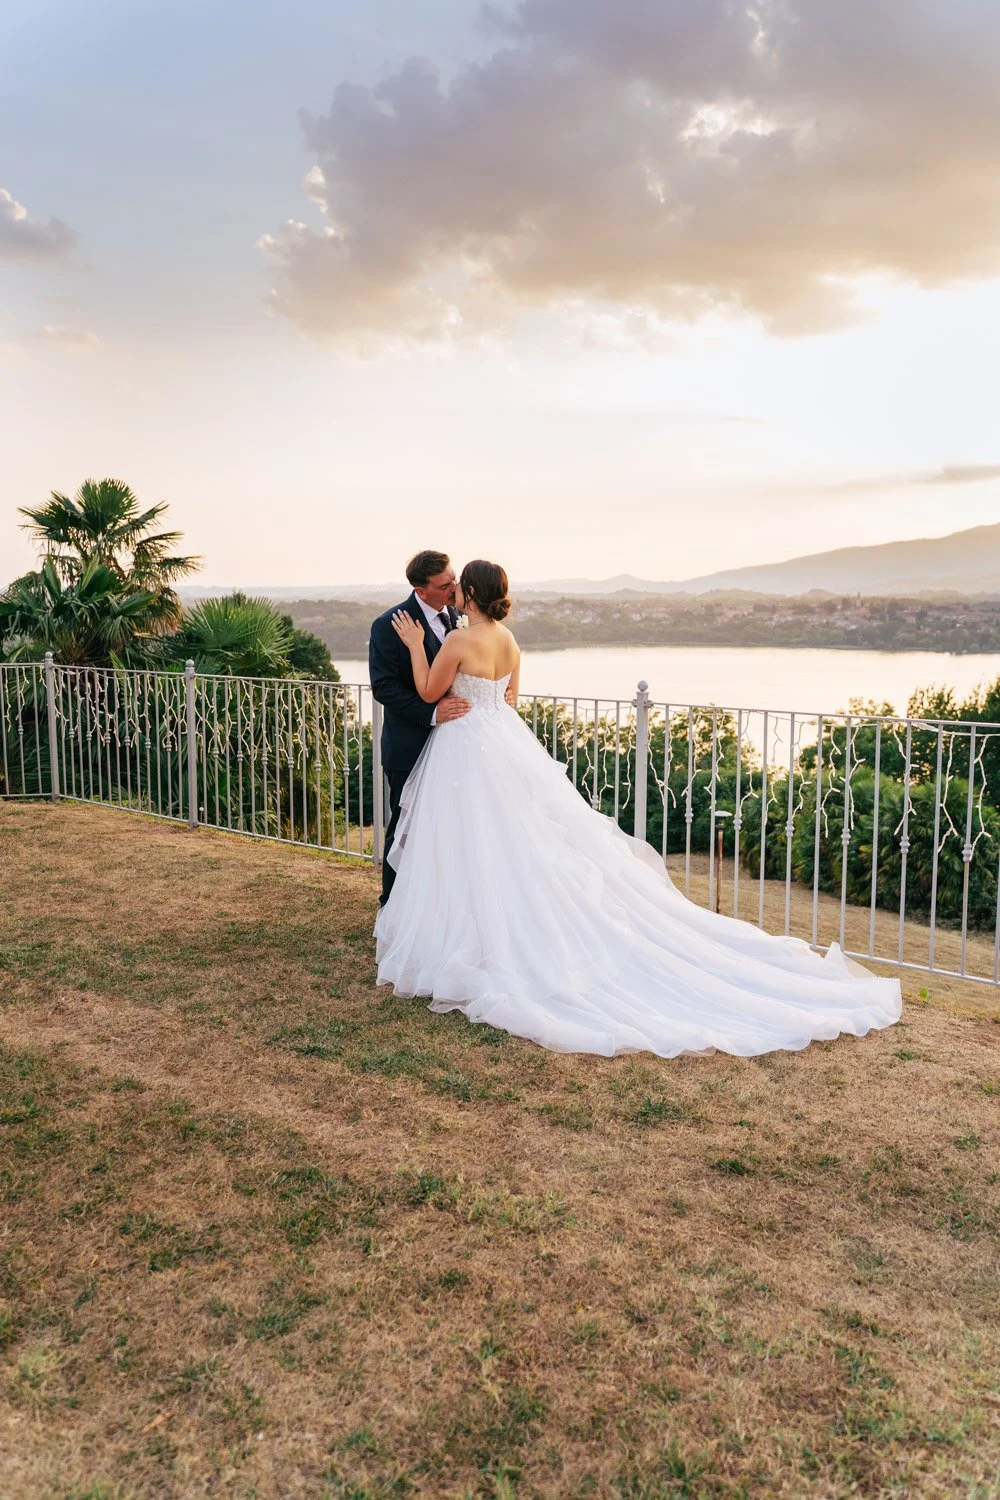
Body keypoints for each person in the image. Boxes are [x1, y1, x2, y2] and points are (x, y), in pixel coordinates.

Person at [375, 558, 902, 1059]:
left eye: (459, 585)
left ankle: (473, 936)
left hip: (466, 745)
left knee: (470, 843)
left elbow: (427, 689)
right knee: (519, 844)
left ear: (469, 592)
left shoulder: (460, 639)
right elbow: (509, 701)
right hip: (503, 740)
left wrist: (419, 645)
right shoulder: (509, 641)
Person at [369, 551, 471, 906]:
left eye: (453, 579)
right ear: (421, 590)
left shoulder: (461, 617)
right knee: (406, 828)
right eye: (445, 585)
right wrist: (432, 713)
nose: (454, 588)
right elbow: (384, 687)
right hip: (409, 744)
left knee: (450, 827)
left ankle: (437, 907)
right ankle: (392, 908)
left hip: (457, 745)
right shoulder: (389, 624)